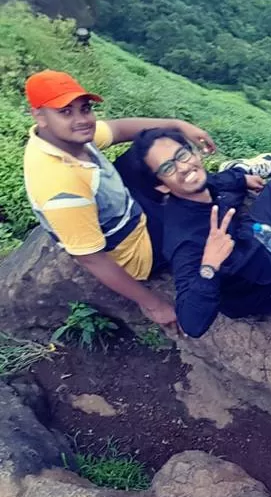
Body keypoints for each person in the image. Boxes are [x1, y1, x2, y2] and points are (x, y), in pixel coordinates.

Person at [21, 69, 216, 326]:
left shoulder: (67, 138)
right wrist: (153, 304)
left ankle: (215, 178)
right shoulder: (61, 188)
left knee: (149, 146)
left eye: (85, 108)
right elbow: (90, 258)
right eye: (65, 112)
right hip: (137, 248)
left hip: (121, 205)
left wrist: (177, 125)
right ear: (39, 116)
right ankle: (230, 179)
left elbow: (119, 129)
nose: (81, 119)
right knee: (197, 211)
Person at [128, 126, 271, 338]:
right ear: (162, 186)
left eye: (182, 155)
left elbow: (211, 180)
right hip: (258, 284)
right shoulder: (185, 240)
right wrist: (209, 266)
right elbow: (191, 324)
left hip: (244, 234)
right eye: (168, 168)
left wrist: (240, 179)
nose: (184, 167)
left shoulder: (197, 186)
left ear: (194, 153)